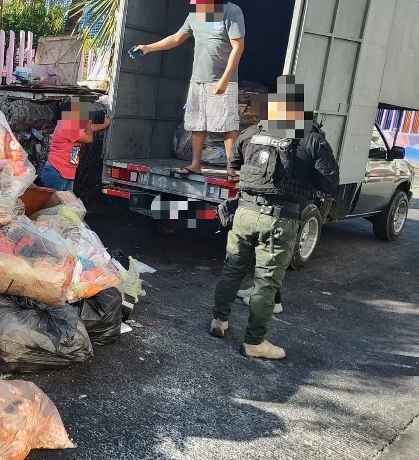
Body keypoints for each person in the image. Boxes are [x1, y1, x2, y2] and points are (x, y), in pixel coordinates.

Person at [210, 75, 339, 360]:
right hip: (280, 220)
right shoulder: (312, 139)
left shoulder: (252, 132)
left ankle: (219, 321)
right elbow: (330, 184)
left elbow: (234, 164)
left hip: (244, 212)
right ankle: (255, 342)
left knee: (232, 269)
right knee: (267, 281)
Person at [132, 0, 245, 180]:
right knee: (197, 123)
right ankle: (195, 165)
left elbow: (238, 47)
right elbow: (177, 38)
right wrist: (148, 48)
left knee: (227, 125)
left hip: (223, 81)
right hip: (198, 80)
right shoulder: (196, 13)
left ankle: (231, 169)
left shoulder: (231, 11)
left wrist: (224, 79)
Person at [40, 97, 111, 192]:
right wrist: (89, 122)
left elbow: (90, 128)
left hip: (67, 172)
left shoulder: (72, 124)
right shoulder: (67, 127)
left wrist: (104, 125)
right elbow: (89, 138)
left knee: (67, 205)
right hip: (57, 172)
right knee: (56, 204)